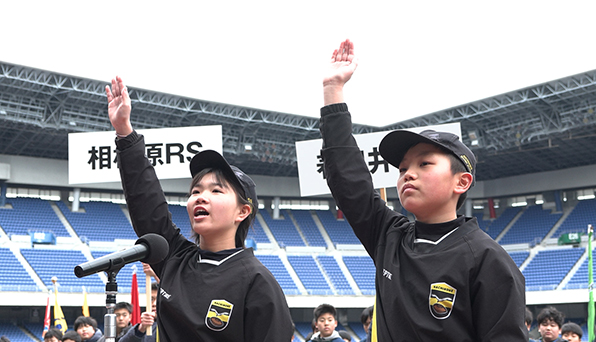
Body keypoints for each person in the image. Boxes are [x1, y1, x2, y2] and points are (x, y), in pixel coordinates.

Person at [319, 39, 527, 342]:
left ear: (461, 182)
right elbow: (348, 179)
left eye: (424, 164)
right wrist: (332, 90)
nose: (408, 175)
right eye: (403, 169)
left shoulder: (488, 260)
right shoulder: (389, 236)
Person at [106, 76, 293, 341]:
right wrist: (125, 132)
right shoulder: (175, 259)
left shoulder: (257, 282)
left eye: (216, 190)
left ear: (243, 212)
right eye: (196, 191)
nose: (200, 197)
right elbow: (147, 205)